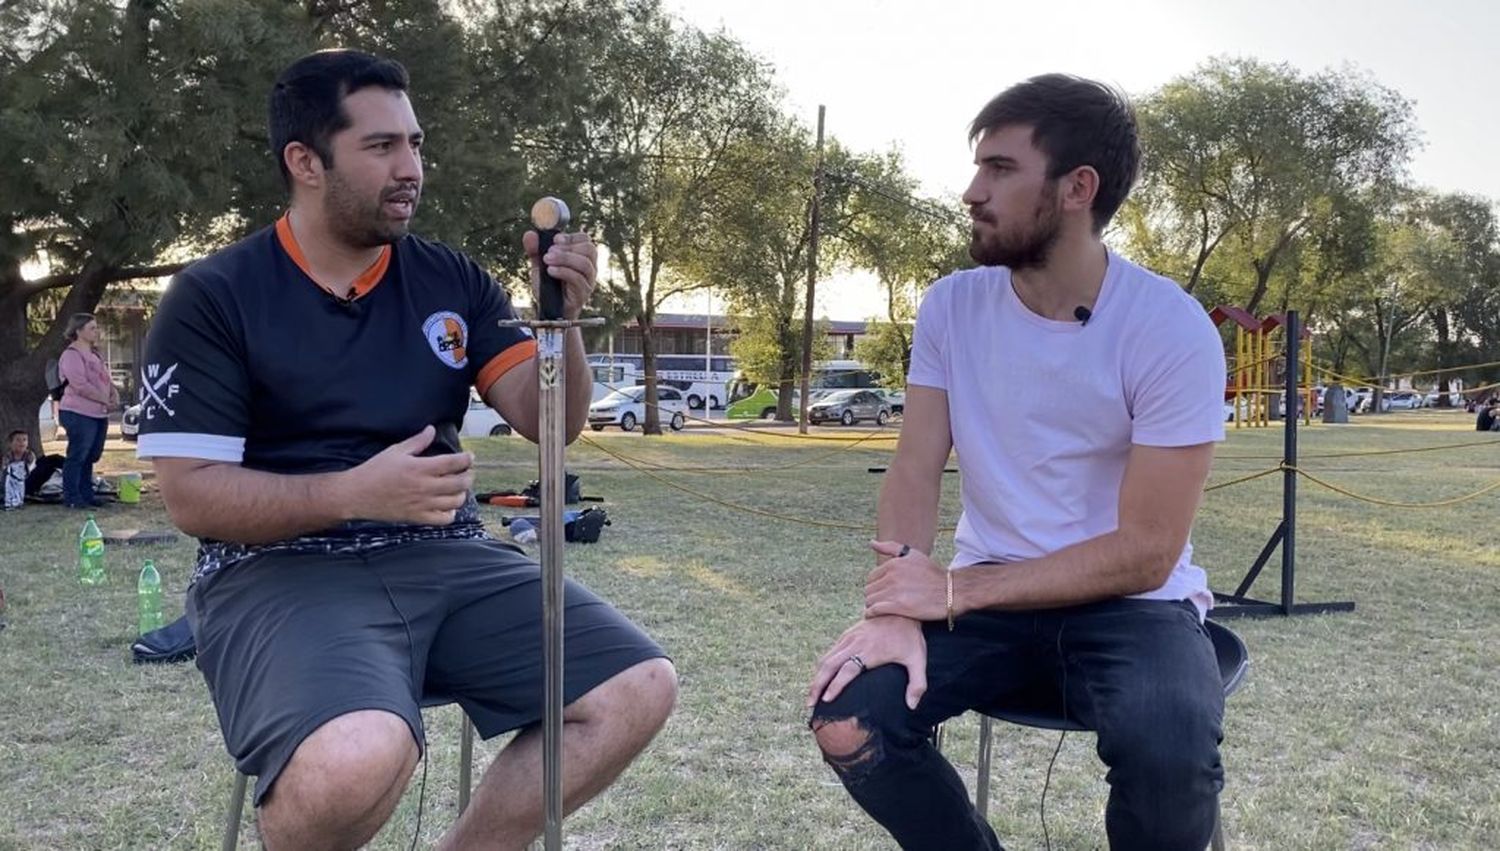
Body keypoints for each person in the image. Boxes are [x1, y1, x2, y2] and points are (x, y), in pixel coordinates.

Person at [136, 50, 675, 850]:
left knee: (638, 686)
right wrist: (353, 492)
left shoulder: (449, 279)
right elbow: (192, 498)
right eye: (382, 146)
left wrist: (559, 323)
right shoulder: (214, 296)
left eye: (415, 144)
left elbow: (547, 421)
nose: (411, 168)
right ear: (305, 162)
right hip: (277, 570)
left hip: (447, 555)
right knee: (360, 754)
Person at [806, 74, 1228, 851]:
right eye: (976, 167)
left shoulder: (1170, 329)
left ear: (1077, 188)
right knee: (846, 716)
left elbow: (1146, 552)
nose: (971, 191)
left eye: (999, 169)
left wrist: (954, 588)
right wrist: (897, 606)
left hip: (1133, 606)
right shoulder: (952, 307)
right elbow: (914, 467)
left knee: (1169, 752)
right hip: (983, 602)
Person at [56, 313, 118, 508]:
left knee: (92, 454)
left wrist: (113, 393)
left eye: (96, 327)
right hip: (78, 413)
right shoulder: (71, 355)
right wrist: (103, 399)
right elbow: (80, 385)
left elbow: (105, 379)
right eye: (92, 328)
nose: (96, 331)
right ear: (78, 331)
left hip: (98, 413)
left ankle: (87, 494)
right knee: (78, 454)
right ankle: (72, 497)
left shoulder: (95, 354)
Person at [3, 429, 66, 509]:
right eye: (18, 440)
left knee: (50, 459)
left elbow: (32, 468)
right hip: (21, 485)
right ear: (11, 443)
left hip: (28, 478)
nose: (22, 443)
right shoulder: (8, 457)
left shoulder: (29, 455)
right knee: (51, 460)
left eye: (24, 440)